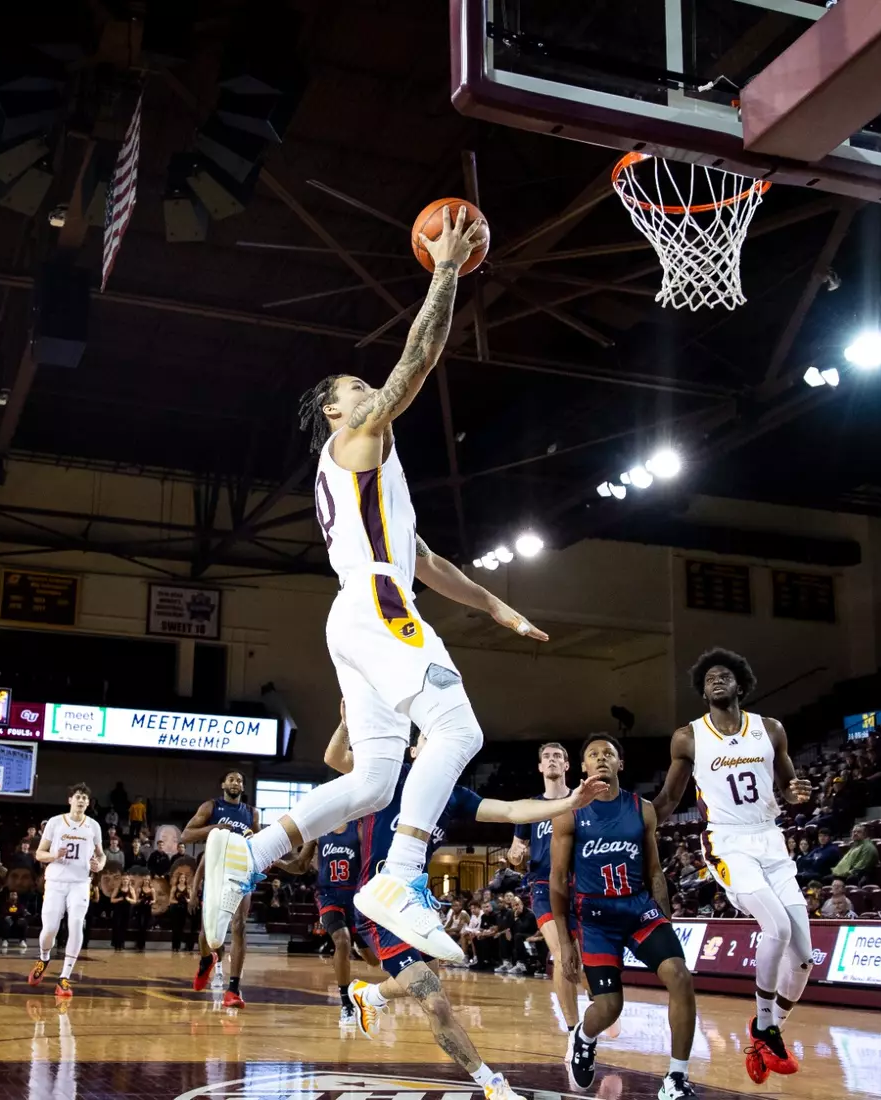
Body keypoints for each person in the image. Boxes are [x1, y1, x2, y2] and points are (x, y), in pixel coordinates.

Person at [202, 208, 532, 974]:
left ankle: (250, 853)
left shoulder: (369, 483)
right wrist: (446, 270)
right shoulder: (353, 441)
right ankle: (400, 878)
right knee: (458, 733)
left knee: (377, 779)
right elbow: (413, 369)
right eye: (356, 387)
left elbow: (422, 557)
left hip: (365, 607)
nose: (370, 392)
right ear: (334, 413)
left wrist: (491, 604)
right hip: (376, 606)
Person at [342, 723, 602, 1100]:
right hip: (380, 905)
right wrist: (347, 723)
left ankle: (371, 996)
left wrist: (569, 802)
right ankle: (491, 1085)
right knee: (435, 1000)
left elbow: (512, 810)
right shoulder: (391, 777)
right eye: (429, 741)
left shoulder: (453, 795)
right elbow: (336, 759)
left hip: (412, 905)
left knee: (422, 984)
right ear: (415, 752)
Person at [652, 647, 812, 1084]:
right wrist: (634, 825)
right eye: (708, 680)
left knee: (803, 959)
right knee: (775, 927)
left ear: (740, 685)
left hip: (772, 841)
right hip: (727, 842)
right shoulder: (688, 737)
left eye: (724, 676)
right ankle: (762, 1025)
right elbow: (668, 800)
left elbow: (788, 784)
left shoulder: (771, 729)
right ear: (703, 693)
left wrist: (796, 793)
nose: (715, 681)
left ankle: (769, 1028)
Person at [558, 735, 698, 1100]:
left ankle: (676, 1079)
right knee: (609, 1006)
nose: (601, 758)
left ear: (620, 764)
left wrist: (664, 917)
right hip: (595, 917)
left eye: (609, 754)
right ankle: (584, 1037)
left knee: (680, 976)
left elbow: (654, 871)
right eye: (593, 754)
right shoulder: (569, 812)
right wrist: (565, 942)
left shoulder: (642, 808)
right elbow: (558, 882)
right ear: (584, 767)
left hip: (638, 908)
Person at [507, 741, 585, 1026]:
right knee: (562, 954)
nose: (552, 760)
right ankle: (574, 1033)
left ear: (566, 765)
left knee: (582, 960)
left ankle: (599, 1008)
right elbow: (515, 852)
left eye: (558, 756)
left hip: (581, 885)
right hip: (543, 886)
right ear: (540, 766)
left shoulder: (581, 801)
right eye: (547, 757)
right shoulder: (531, 807)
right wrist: (516, 856)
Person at [278, 809, 373, 1023]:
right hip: (328, 895)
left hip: (356, 897)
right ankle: (346, 1004)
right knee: (342, 940)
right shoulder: (318, 831)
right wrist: (277, 862)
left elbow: (371, 860)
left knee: (373, 961)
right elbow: (301, 865)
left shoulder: (357, 827)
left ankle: (359, 954)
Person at [183, 768, 262, 1003]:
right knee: (207, 935)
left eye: (239, 780)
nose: (235, 783)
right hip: (216, 871)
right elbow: (186, 835)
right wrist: (213, 829)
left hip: (241, 871)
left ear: (243, 787)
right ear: (223, 785)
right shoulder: (211, 807)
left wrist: (254, 838)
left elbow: (259, 844)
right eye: (231, 779)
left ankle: (233, 989)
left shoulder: (251, 813)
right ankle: (207, 959)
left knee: (239, 926)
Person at [28, 783, 106, 999]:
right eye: (77, 797)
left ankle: (64, 978)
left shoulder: (93, 826)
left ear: (88, 803)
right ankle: (43, 958)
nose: (81, 800)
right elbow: (39, 854)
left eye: (84, 798)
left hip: (80, 882)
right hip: (55, 881)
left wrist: (99, 865)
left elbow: (101, 855)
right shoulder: (55, 822)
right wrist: (54, 856)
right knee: (50, 929)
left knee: (75, 924)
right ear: (70, 800)